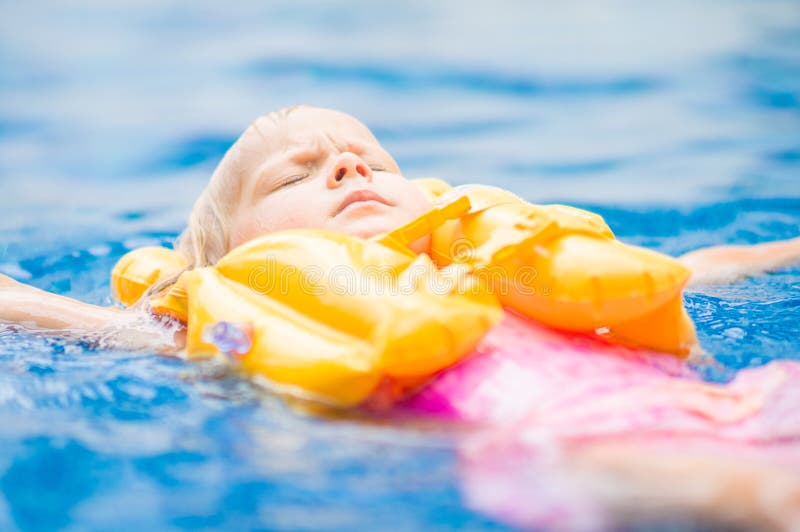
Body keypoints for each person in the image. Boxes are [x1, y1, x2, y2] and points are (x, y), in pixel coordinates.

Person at [1, 105, 798, 346]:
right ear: (233, 255)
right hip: (537, 451)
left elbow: (703, 263)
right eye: (298, 174)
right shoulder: (229, 315)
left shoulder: (507, 264)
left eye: (369, 161)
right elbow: (70, 319)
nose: (348, 169)